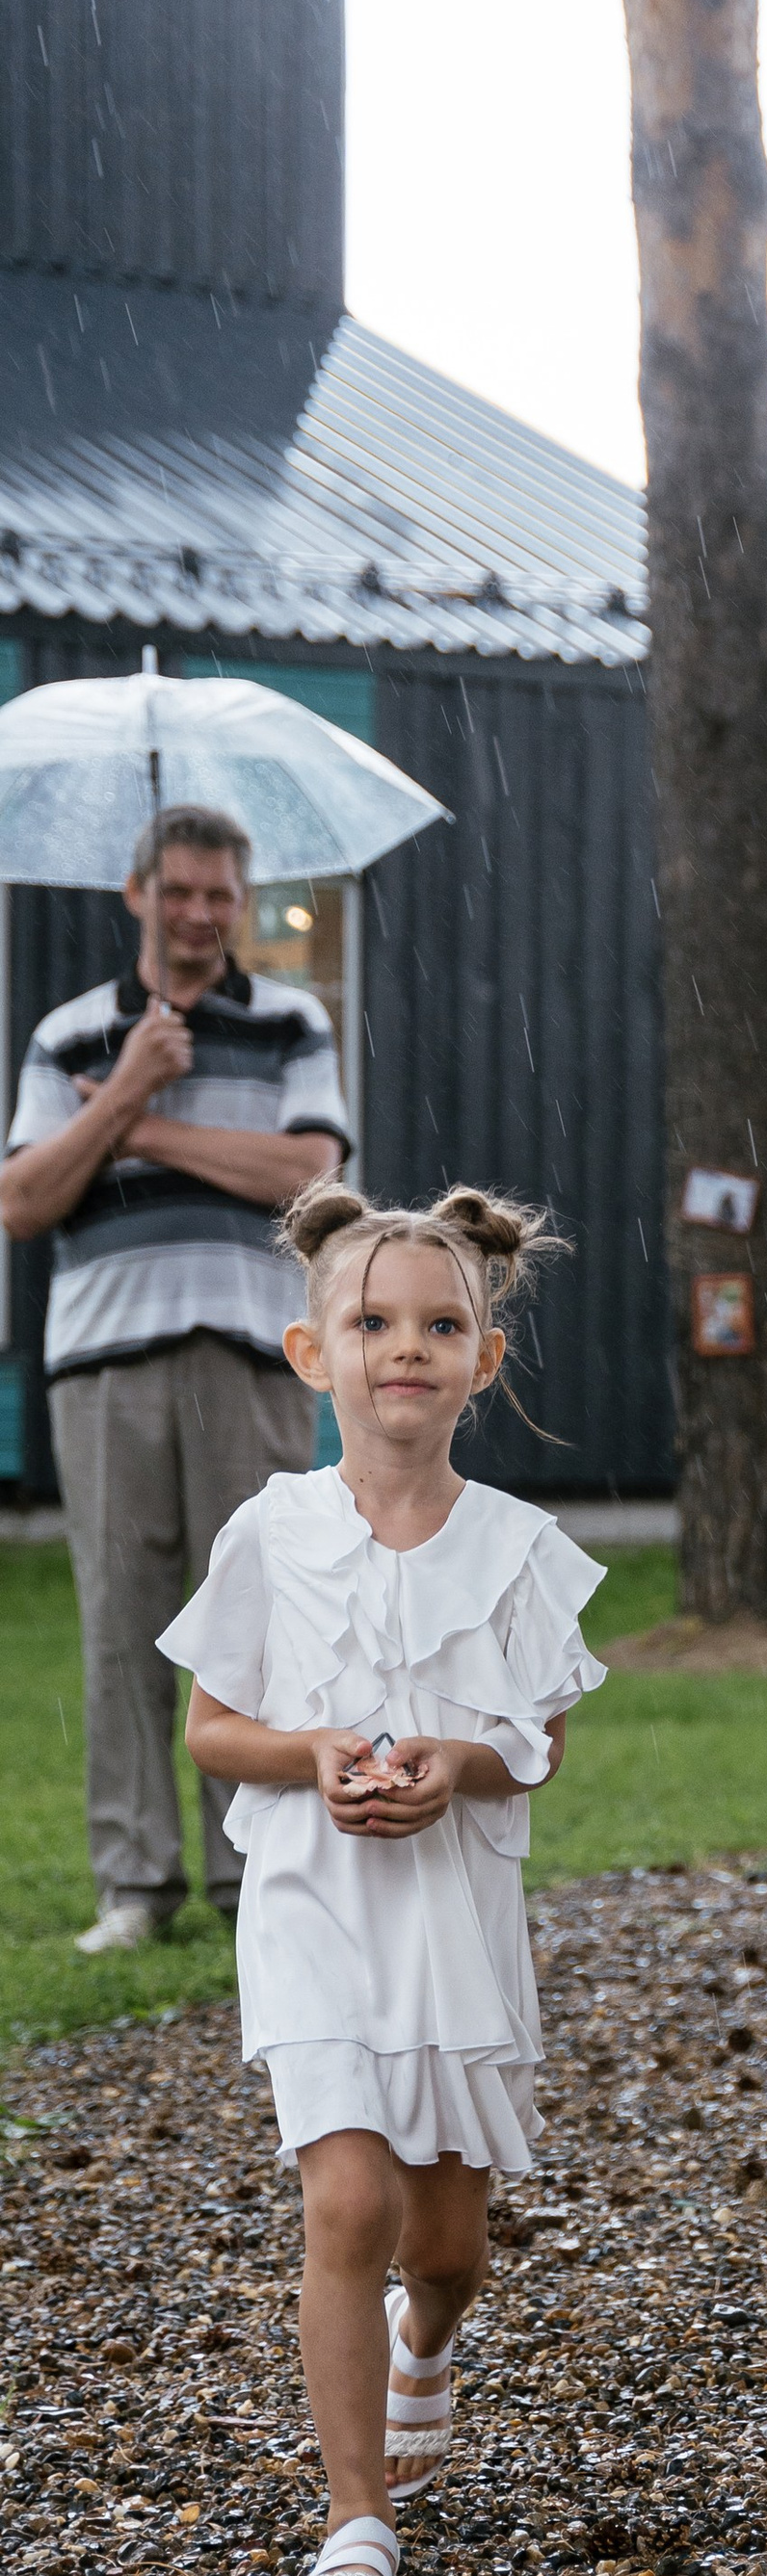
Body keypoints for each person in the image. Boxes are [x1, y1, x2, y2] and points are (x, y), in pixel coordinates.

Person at [162, 1182, 606, 2576]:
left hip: (453, 1927)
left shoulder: (522, 1550)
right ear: (313, 1354)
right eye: (370, 1324)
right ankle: (356, 2526)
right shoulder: (271, 1531)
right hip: (313, 1906)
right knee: (348, 2204)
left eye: (439, 1326)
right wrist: (312, 1753)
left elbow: (536, 1748)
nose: (403, 1348)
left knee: (447, 2250)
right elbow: (211, 1728)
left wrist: (456, 1765)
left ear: (485, 1360)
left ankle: (427, 2340)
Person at [0, 805, 348, 1955]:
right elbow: (22, 1200)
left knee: (258, 1622)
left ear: (241, 902)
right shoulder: (68, 1034)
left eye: (220, 895)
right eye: (180, 891)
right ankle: (135, 1884)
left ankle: (258, 1875)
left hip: (253, 1355)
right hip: (104, 1362)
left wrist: (140, 1133)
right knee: (122, 1618)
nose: (200, 913)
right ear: (136, 895)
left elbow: (308, 1173)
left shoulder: (292, 1021)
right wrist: (126, 1087)